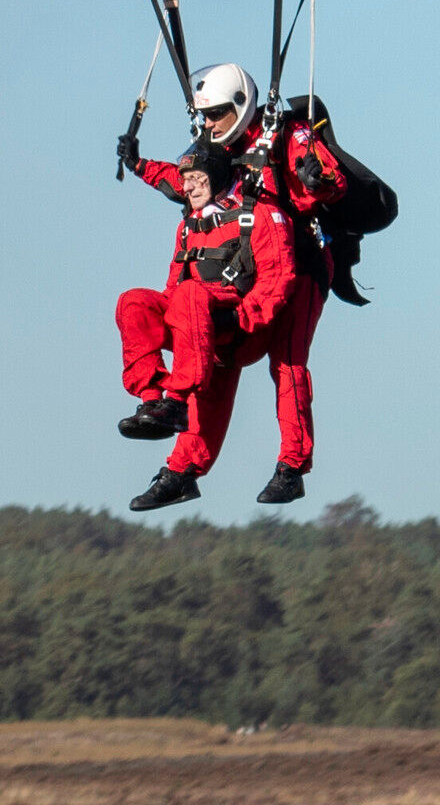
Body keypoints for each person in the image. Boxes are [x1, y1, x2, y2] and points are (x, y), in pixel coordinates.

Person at [111, 62, 313, 508]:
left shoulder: (264, 201)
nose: (207, 123)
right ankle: (155, 403)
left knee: (287, 366)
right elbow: (184, 184)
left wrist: (242, 315)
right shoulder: (192, 222)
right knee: (135, 304)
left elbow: (279, 277)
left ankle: (291, 464)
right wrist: (139, 163)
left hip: (251, 313)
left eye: (215, 113)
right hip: (205, 318)